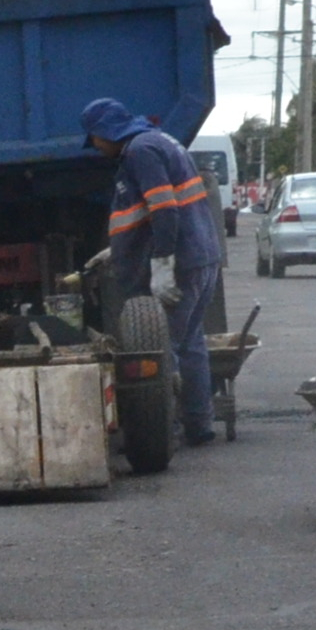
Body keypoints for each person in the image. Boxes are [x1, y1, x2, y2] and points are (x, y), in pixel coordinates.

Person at [84, 96, 225, 446]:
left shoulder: (140, 152)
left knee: (163, 348)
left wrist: (163, 265)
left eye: (95, 138)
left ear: (107, 131)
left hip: (182, 262)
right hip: (201, 255)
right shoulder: (161, 140)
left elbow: (164, 210)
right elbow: (148, 212)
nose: (95, 147)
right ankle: (198, 424)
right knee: (190, 343)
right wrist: (117, 249)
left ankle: (164, 430)